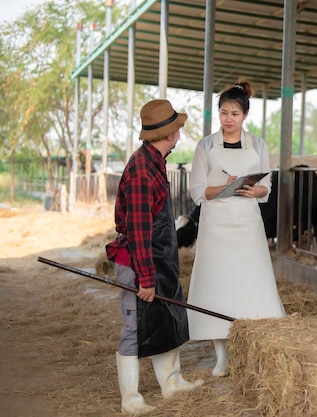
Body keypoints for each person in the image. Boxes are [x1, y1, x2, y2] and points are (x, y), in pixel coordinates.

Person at [106, 99, 203, 414]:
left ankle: (171, 383)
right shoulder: (142, 169)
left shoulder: (156, 160)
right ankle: (130, 400)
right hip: (140, 263)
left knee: (166, 318)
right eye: (178, 126)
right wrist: (145, 279)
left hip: (161, 259)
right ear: (170, 132)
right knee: (136, 327)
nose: (181, 131)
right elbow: (138, 230)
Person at [187, 79, 286, 377]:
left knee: (251, 282)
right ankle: (222, 356)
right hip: (216, 222)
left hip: (247, 221)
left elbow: (267, 183)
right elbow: (196, 190)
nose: (228, 119)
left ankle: (254, 349)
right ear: (217, 113)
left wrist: (258, 191)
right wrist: (224, 186)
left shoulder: (258, 144)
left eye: (234, 114)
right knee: (217, 286)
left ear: (245, 116)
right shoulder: (205, 145)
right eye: (223, 113)